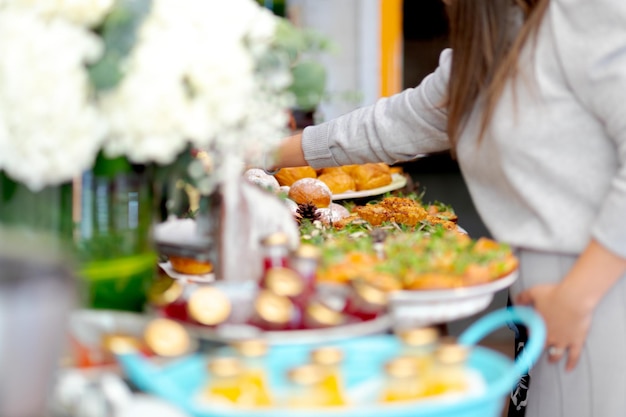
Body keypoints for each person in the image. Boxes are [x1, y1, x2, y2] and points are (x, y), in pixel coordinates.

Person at [266, 0, 626, 416]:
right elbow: (398, 122)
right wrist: (260, 152)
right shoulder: (494, 34)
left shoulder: (584, 12)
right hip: (540, 295)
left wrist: (577, 297)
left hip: (599, 289)